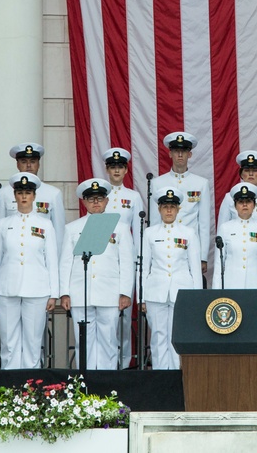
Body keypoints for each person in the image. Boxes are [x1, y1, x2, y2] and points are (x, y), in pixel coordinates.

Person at [59, 178, 135, 370]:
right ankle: (86, 383)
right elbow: (66, 262)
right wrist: (64, 292)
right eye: (91, 199)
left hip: (109, 292)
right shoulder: (72, 228)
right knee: (83, 341)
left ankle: (106, 384)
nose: (95, 203)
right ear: (84, 202)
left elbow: (126, 262)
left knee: (108, 340)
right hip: (80, 292)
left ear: (107, 201)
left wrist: (125, 292)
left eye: (100, 198)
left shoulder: (120, 228)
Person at [0, 173, 59, 369]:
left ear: (34, 196)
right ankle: (9, 384)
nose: (24, 197)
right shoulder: (4, 224)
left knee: (33, 341)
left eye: (28, 192)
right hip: (6, 288)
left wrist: (54, 293)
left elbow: (51, 261)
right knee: (8, 341)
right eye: (20, 193)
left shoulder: (45, 225)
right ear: (15, 195)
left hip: (37, 289)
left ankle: (31, 386)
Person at [141, 187, 203, 369]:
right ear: (159, 209)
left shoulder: (188, 233)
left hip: (182, 291)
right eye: (165, 206)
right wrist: (142, 297)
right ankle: (161, 376)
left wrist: (196, 297)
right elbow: (144, 267)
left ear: (178, 209)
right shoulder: (150, 233)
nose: (169, 210)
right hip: (156, 292)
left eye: (172, 207)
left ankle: (178, 376)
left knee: (179, 336)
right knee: (158, 336)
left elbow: (195, 268)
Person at [101, 146, 144, 369]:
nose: (116, 171)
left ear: (126, 170)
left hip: (126, 262)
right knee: (105, 314)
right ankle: (106, 361)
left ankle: (125, 362)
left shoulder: (133, 197)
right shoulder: (100, 195)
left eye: (120, 167)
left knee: (125, 317)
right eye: (112, 167)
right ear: (107, 170)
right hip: (105, 261)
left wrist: (138, 262)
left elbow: (138, 231)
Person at [149, 132, 212, 274]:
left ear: (189, 154)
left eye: (183, 151)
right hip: (164, 246)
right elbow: (154, 221)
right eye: (176, 151)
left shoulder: (201, 183)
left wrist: (203, 257)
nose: (180, 155)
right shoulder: (157, 183)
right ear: (170, 154)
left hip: (191, 246)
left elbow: (204, 223)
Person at [216, 150, 257, 267]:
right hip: (237, 260)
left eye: (255, 170)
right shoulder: (229, 198)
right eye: (247, 171)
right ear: (241, 174)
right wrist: (221, 265)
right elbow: (221, 235)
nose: (251, 174)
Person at [213, 183, 257, 298]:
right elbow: (219, 263)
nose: (245, 205)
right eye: (241, 202)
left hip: (256, 284)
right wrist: (216, 290)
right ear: (235, 205)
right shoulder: (225, 228)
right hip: (231, 285)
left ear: (254, 205)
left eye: (248, 201)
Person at [0, 142, 65, 232]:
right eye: (24, 162)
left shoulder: (53, 194)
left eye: (33, 161)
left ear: (38, 164)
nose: (29, 165)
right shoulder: (4, 193)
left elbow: (59, 230)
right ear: (17, 164)